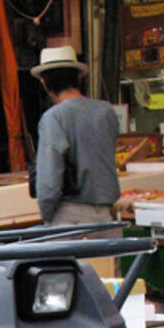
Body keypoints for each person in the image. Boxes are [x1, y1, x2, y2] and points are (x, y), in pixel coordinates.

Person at [29, 45, 120, 226]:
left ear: (45, 83)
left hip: (70, 216)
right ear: (78, 77)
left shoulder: (53, 118)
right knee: (106, 255)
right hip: (107, 214)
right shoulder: (106, 111)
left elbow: (49, 180)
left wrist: (47, 215)